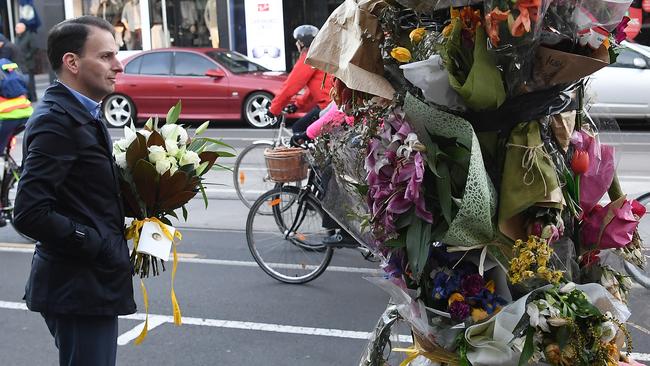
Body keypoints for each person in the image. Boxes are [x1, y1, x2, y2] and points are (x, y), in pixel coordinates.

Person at [13, 16, 135, 366]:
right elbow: (30, 212)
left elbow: (81, 191)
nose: (118, 65)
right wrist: (95, 242)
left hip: (88, 283)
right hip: (78, 287)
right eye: (106, 56)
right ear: (72, 62)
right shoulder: (56, 120)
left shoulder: (84, 112)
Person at [266, 25, 333, 132]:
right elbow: (319, 87)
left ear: (302, 43)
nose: (296, 44)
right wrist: (298, 105)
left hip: (327, 106)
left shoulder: (308, 59)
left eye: (297, 41)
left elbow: (290, 87)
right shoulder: (320, 56)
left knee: (299, 129)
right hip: (332, 104)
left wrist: (273, 110)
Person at [15, 22, 37, 101]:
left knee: (30, 81)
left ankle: (33, 97)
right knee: (24, 80)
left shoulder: (29, 36)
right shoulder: (17, 38)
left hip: (28, 63)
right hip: (20, 63)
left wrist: (27, 56)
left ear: (23, 28)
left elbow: (34, 48)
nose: (15, 29)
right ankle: (28, 97)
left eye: (17, 28)